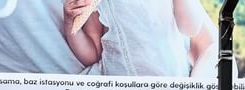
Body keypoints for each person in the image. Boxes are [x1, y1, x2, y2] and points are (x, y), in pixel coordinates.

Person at [64, 0, 218, 78]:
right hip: (117, 87)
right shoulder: (98, 2)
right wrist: (70, 25)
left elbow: (190, 29)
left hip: (168, 82)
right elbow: (93, 52)